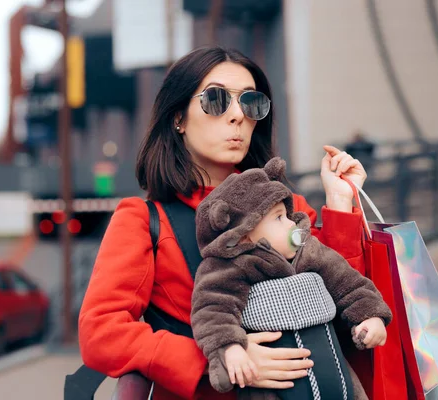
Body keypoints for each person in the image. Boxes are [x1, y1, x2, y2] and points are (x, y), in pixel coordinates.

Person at [78, 46, 378, 400]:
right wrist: (218, 357)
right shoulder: (145, 220)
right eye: (216, 99)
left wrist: (341, 204)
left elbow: (343, 299)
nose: (237, 115)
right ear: (179, 119)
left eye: (250, 102)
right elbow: (101, 332)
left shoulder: (287, 206)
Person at [191, 157, 392, 400]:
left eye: (287, 215)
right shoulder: (228, 269)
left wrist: (370, 315)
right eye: (278, 218)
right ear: (243, 237)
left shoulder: (309, 250)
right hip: (273, 385)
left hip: (335, 375)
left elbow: (347, 282)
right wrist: (229, 348)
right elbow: (212, 310)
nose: (291, 225)